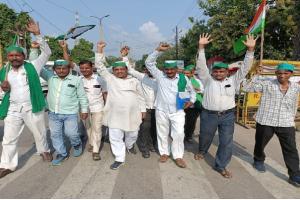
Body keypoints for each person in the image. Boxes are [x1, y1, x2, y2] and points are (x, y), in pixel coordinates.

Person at [194, 33, 257, 178]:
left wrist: (250, 51)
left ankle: (220, 165)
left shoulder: (234, 81)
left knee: (226, 142)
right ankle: (202, 151)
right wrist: (201, 47)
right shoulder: (208, 80)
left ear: (226, 72)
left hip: (228, 115)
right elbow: (201, 66)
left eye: (221, 71)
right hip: (209, 115)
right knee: (206, 136)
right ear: (212, 72)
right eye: (216, 71)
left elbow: (245, 68)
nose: (218, 73)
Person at [0, 19, 52, 179]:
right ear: (8, 57)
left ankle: (44, 150)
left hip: (32, 106)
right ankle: (7, 165)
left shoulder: (33, 66)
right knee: (8, 138)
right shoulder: (4, 71)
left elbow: (47, 53)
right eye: (11, 55)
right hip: (13, 109)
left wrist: (37, 34)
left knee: (39, 132)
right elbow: (2, 93)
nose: (14, 57)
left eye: (17, 55)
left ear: (23, 56)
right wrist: (3, 89)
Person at [243, 63, 300, 187]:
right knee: (260, 143)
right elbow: (246, 88)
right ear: (276, 73)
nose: (282, 76)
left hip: (286, 122)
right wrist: (255, 75)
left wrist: (293, 115)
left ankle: (294, 174)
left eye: (286, 73)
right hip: (266, 120)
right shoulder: (267, 83)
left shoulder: (296, 87)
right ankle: (258, 160)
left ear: (291, 74)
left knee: (291, 149)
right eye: (279, 73)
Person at [95, 41, 146, 170]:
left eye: (121, 69)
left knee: (133, 135)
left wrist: (143, 110)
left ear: (126, 70)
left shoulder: (134, 81)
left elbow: (140, 97)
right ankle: (119, 158)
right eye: (116, 70)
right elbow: (100, 67)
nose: (119, 71)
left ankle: (129, 146)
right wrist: (100, 50)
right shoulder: (110, 79)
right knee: (115, 137)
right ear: (113, 71)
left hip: (132, 115)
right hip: (115, 115)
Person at [145, 42, 196, 168]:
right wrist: (158, 50)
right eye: (167, 69)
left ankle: (178, 156)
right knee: (162, 132)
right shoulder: (160, 76)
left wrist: (191, 101)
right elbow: (149, 63)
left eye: (172, 69)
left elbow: (192, 91)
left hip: (178, 111)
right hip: (161, 110)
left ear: (176, 69)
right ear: (164, 69)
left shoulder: (184, 78)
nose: (169, 71)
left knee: (178, 133)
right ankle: (164, 153)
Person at [41, 59, 89, 166]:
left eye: (64, 68)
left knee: (71, 133)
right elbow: (38, 66)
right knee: (55, 134)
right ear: (54, 69)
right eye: (58, 68)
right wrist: (34, 50)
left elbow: (82, 96)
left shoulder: (76, 80)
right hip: (53, 113)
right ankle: (62, 154)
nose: (61, 70)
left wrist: (84, 110)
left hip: (70, 113)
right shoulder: (50, 78)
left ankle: (76, 144)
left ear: (69, 69)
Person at [121, 46, 158, 158]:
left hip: (157, 109)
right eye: (147, 69)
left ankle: (152, 145)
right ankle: (144, 148)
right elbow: (130, 69)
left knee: (155, 129)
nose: (149, 70)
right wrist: (125, 56)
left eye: (152, 68)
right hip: (145, 108)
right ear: (146, 69)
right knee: (144, 129)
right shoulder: (142, 77)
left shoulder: (160, 78)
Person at [79, 60, 107, 161]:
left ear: (92, 68)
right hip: (84, 109)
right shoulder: (78, 80)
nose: (84, 70)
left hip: (98, 107)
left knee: (97, 128)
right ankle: (91, 143)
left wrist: (107, 107)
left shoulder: (100, 79)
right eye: (82, 68)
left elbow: (105, 93)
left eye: (86, 68)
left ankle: (96, 150)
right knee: (88, 128)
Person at [182, 64, 204, 144]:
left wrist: (196, 89)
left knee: (191, 122)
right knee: (182, 121)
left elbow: (202, 90)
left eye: (187, 73)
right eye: (184, 73)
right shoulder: (181, 81)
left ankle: (188, 136)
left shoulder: (197, 81)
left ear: (192, 73)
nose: (186, 75)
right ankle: (182, 135)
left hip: (195, 105)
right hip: (184, 104)